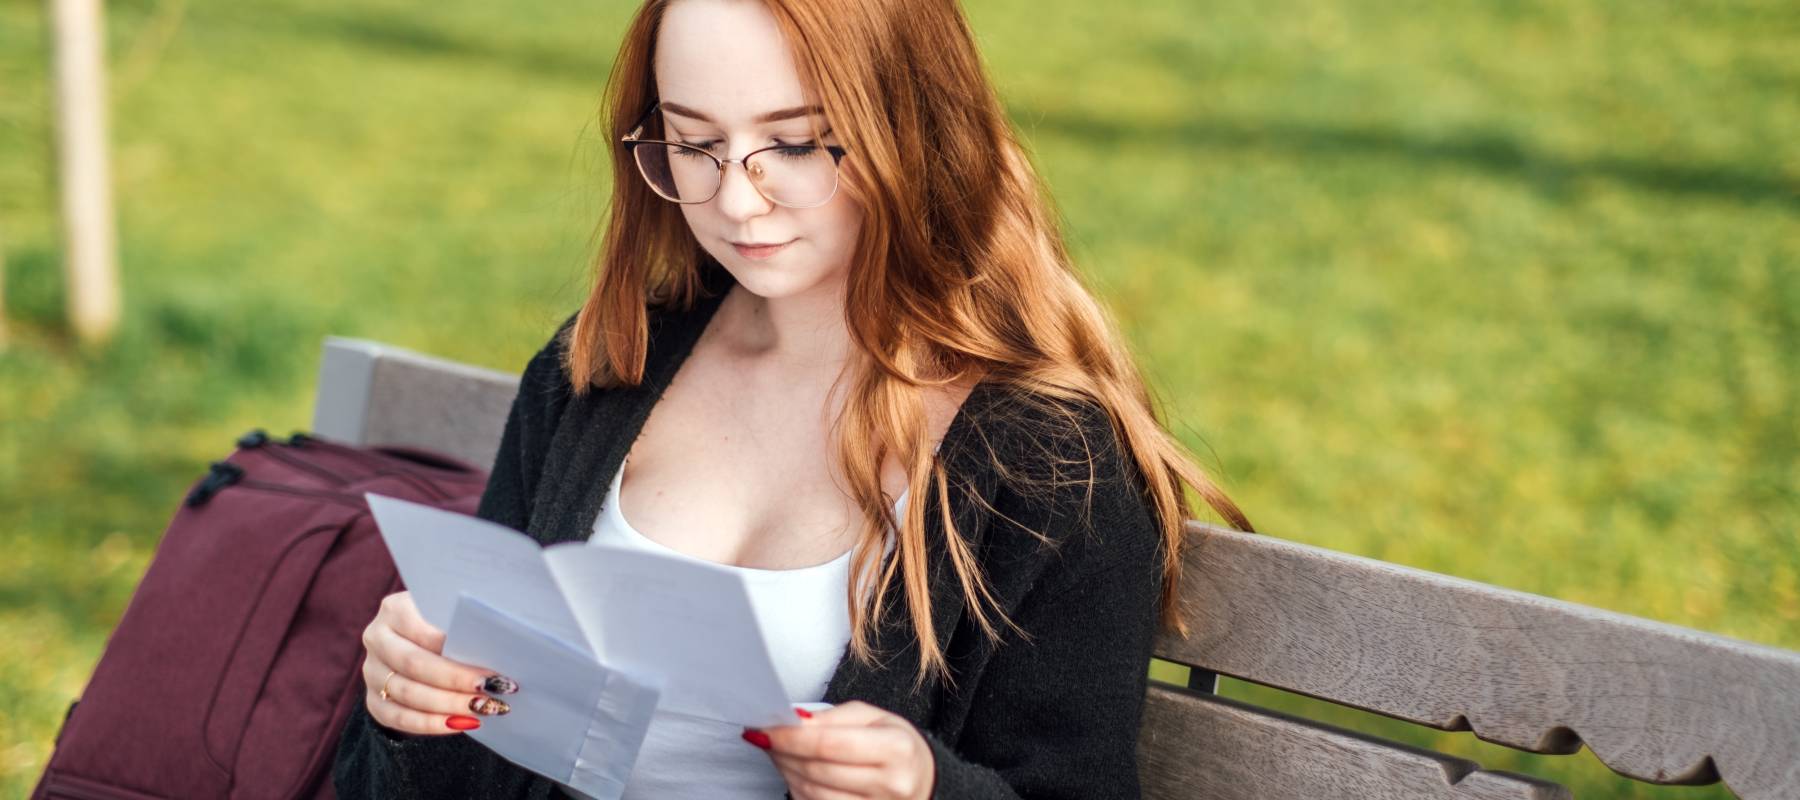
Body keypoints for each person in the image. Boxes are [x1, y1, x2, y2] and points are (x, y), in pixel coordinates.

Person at [332, 0, 1252, 797]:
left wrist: (926, 788)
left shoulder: (1047, 464)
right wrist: (411, 707)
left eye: (798, 143)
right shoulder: (608, 367)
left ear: (915, 129)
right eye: (695, 143)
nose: (738, 201)